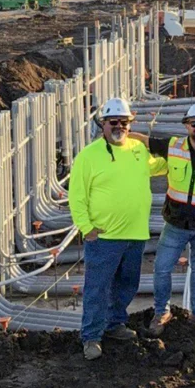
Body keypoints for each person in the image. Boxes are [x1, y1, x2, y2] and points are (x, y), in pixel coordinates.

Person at [69, 98, 167, 361]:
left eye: (125, 122)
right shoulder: (88, 156)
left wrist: (186, 153)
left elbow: (162, 166)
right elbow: (77, 196)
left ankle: (114, 325)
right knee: (97, 288)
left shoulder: (137, 149)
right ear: (103, 124)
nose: (119, 127)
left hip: (134, 235)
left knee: (127, 284)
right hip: (103, 237)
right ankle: (91, 336)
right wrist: (86, 227)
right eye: (114, 122)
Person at [130, 103, 195, 337]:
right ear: (187, 125)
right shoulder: (174, 146)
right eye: (194, 124)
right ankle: (161, 312)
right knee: (161, 268)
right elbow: (145, 141)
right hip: (175, 223)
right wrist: (121, 133)